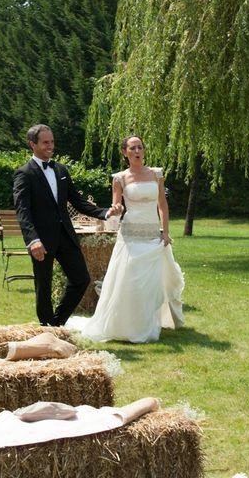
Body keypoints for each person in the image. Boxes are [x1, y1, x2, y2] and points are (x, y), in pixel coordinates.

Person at [65, 135, 184, 342]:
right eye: (132, 148)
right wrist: (116, 209)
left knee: (151, 282)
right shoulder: (119, 178)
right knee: (130, 280)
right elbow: (116, 205)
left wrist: (165, 231)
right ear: (125, 152)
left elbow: (162, 205)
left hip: (151, 233)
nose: (137, 151)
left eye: (140, 147)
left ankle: (146, 322)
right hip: (130, 234)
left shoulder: (156, 174)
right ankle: (124, 324)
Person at [13, 124, 123, 327]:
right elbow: (23, 211)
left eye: (52, 142)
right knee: (43, 287)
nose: (50, 146)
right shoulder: (24, 174)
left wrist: (105, 213)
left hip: (66, 235)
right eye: (45, 142)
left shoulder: (60, 170)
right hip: (41, 241)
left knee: (81, 279)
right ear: (32, 145)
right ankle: (47, 329)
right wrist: (33, 240)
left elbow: (77, 201)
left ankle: (56, 324)